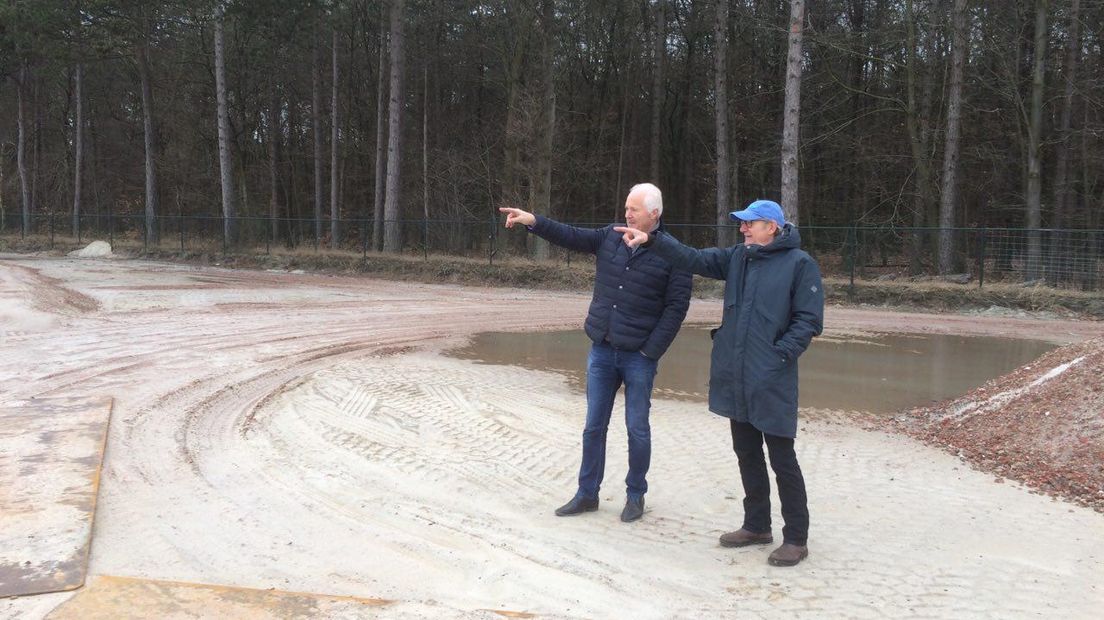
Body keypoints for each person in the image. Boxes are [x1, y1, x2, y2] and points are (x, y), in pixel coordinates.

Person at [615, 199, 823, 566]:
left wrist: (778, 355)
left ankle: (796, 538)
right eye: (741, 223)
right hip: (736, 374)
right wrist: (651, 240)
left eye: (749, 224)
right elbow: (693, 258)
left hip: (772, 378)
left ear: (771, 227)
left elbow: (808, 322)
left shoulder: (800, 265)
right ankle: (757, 525)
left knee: (782, 458)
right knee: (746, 452)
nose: (742, 228)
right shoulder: (738, 258)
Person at [499, 183, 692, 523]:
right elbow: (570, 235)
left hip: (639, 357)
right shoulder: (610, 236)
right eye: (627, 207)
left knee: (637, 429)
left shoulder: (674, 254)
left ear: (655, 214)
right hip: (602, 348)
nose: (627, 213)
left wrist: (651, 352)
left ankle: (635, 495)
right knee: (593, 427)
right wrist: (534, 221)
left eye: (634, 208)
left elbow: (676, 310)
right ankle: (587, 493)